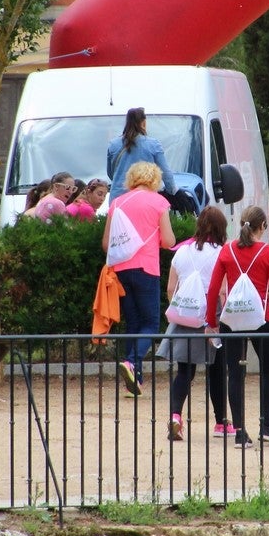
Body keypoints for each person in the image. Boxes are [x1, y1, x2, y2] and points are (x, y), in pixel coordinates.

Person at [204, 205, 269, 449]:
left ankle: (240, 431)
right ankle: (267, 424)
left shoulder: (226, 251)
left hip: (232, 319)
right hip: (262, 318)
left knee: (235, 373)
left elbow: (213, 289)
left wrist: (211, 321)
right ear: (262, 227)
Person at [157, 206, 232, 441]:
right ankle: (221, 423)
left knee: (184, 372)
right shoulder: (222, 253)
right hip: (212, 317)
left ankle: (175, 415)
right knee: (218, 371)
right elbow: (222, 291)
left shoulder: (182, 252)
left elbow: (171, 288)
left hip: (185, 316)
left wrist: (183, 309)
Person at [103, 161, 176, 397]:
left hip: (121, 269)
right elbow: (169, 240)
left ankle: (134, 382)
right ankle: (132, 363)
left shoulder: (117, 203)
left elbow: (106, 244)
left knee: (133, 324)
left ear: (131, 179)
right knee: (151, 324)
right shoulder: (159, 202)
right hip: (147, 268)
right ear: (154, 179)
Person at [106, 107, 178, 200]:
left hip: (118, 198)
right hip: (145, 198)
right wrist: (173, 191)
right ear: (143, 122)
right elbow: (166, 173)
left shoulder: (113, 144)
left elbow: (111, 173)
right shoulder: (153, 145)